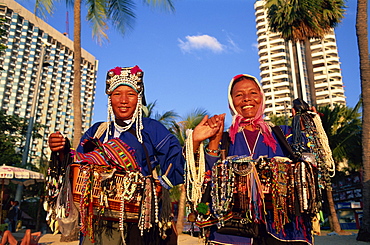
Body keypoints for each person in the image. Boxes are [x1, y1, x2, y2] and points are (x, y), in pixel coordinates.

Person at [48, 65, 185, 245]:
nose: (123, 100)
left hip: (138, 220)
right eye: (116, 94)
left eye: (131, 94)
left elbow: (176, 156)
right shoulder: (97, 131)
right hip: (97, 220)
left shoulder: (150, 129)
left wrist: (163, 183)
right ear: (109, 98)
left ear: (139, 98)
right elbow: (78, 166)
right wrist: (62, 151)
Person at [189, 74, 319, 244]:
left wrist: (306, 128)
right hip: (232, 232)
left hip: (286, 230)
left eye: (253, 93)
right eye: (239, 95)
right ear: (231, 102)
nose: (246, 99)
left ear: (261, 96)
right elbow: (205, 179)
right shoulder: (224, 138)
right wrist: (208, 141)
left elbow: (311, 165)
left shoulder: (285, 134)